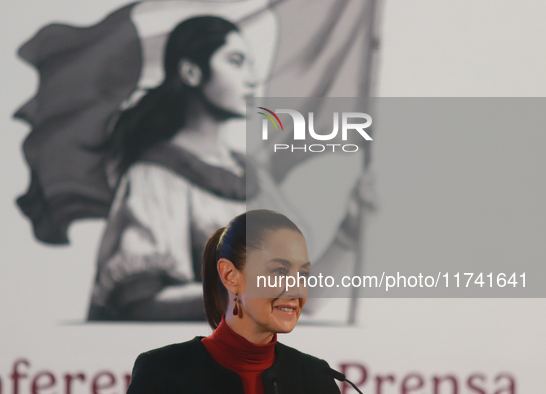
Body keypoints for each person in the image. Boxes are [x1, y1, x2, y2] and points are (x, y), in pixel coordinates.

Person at [87, 14, 370, 321]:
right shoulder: (155, 175)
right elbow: (140, 302)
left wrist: (349, 231)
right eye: (235, 62)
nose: (251, 78)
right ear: (191, 72)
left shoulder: (250, 176)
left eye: (250, 64)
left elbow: (301, 301)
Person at [126, 210, 342, 393]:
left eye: (303, 274)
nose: (296, 289)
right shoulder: (160, 373)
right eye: (280, 271)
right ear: (230, 275)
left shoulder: (317, 379)